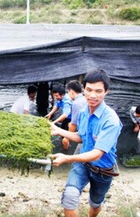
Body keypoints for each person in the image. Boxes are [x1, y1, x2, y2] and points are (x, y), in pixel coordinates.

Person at [50, 69, 122, 217]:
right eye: (88, 90)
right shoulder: (83, 112)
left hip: (103, 171)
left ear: (106, 92)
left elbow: (96, 154)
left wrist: (67, 158)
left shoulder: (111, 121)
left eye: (98, 91)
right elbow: (81, 137)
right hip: (83, 164)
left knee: (95, 204)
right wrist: (59, 131)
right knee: (69, 197)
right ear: (83, 89)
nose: (92, 95)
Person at [62, 80, 87, 150]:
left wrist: (67, 138)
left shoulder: (76, 103)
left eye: (68, 92)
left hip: (85, 136)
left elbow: (73, 125)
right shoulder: (85, 99)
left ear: (71, 91)